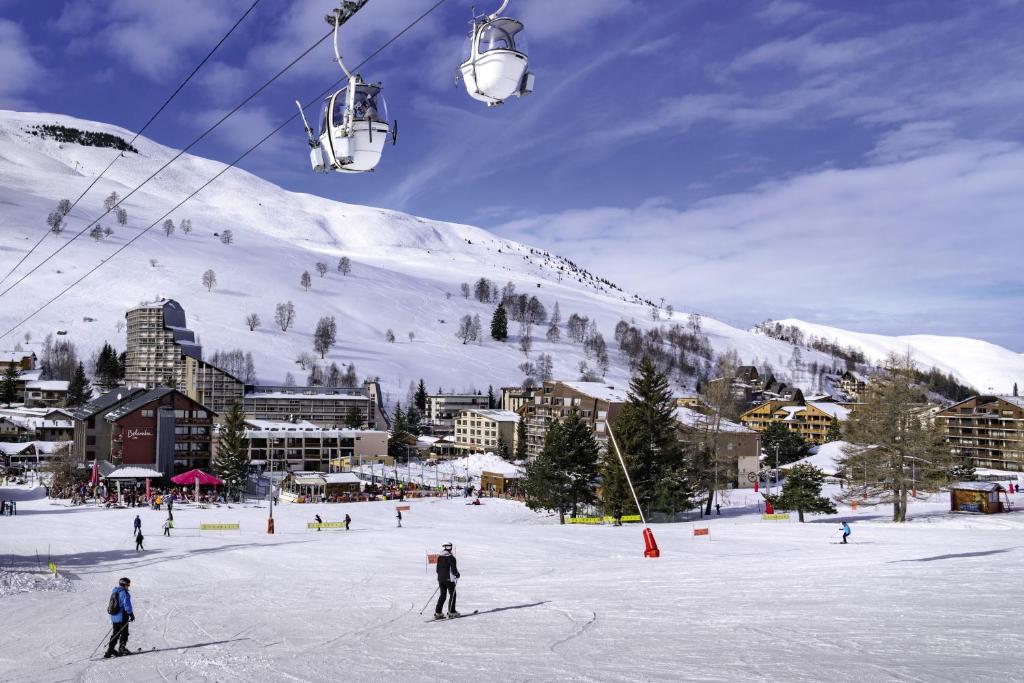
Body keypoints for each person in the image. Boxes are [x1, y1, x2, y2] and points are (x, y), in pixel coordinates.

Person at [105, 577, 135, 658]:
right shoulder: (124, 593)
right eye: (128, 584)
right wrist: (131, 614)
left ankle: (110, 650)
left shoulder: (114, 592)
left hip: (114, 616)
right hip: (122, 616)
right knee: (124, 633)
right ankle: (122, 648)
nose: (128, 586)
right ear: (124, 584)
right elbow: (127, 605)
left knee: (115, 633)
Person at [434, 542, 460, 619]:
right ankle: (451, 612)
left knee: (443, 595)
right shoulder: (451, 558)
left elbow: (437, 570)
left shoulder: (439, 557)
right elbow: (453, 569)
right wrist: (457, 574)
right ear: (450, 548)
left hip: (440, 579)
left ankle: (438, 612)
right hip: (449, 579)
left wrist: (441, 577)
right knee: (453, 594)